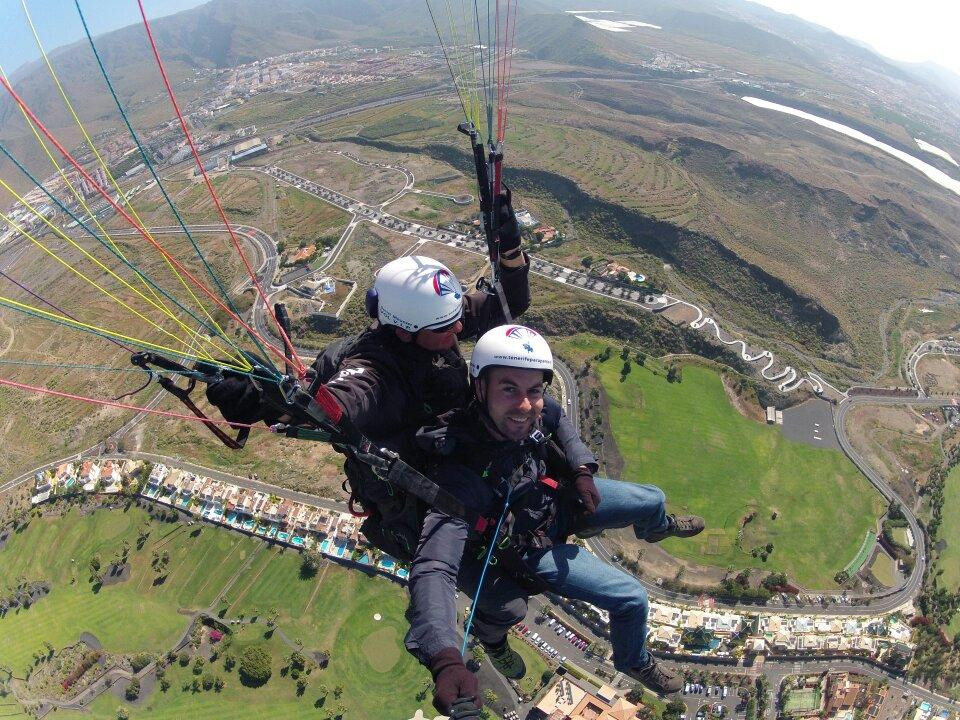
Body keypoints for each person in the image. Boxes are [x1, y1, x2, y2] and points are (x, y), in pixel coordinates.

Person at [206, 190, 567, 560]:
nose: (459, 328)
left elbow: (509, 303)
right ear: (403, 332)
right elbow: (337, 402)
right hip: (435, 484)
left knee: (546, 410)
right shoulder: (374, 370)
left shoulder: (431, 325)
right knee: (504, 601)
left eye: (457, 315)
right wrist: (269, 400)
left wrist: (509, 250)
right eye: (446, 326)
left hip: (467, 443)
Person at [405, 325, 705, 713]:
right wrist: (445, 659)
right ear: (480, 389)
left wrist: (581, 469)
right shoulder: (462, 474)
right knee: (633, 598)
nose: (526, 405)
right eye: (509, 388)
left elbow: (557, 418)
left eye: (533, 390)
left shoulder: (534, 412)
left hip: (556, 502)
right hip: (529, 548)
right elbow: (434, 567)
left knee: (653, 499)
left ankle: (657, 528)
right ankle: (633, 659)